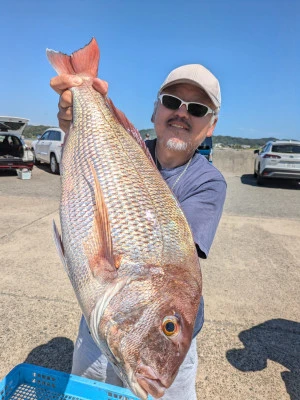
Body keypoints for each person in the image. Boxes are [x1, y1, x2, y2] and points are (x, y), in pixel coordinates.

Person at [50, 63, 226, 400]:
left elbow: (174, 263)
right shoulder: (121, 144)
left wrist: (165, 327)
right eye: (172, 101)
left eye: (198, 109)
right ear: (155, 109)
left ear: (211, 126)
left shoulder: (208, 182)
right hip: (99, 326)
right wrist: (76, 116)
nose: (182, 113)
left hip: (160, 347)